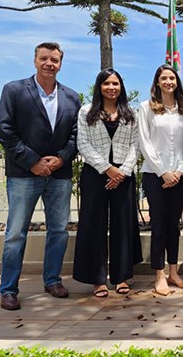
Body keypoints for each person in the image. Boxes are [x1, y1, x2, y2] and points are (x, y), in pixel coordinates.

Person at [0, 42, 81, 310]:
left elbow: (76, 135)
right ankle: (9, 289)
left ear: (60, 64)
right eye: (44, 58)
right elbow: (5, 130)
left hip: (59, 174)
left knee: (58, 230)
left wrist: (61, 158)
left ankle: (53, 280)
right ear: (35, 61)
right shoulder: (14, 90)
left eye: (54, 60)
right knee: (15, 234)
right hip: (24, 173)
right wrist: (32, 161)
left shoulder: (72, 97)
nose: (49, 63)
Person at [72, 68, 142, 297]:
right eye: (106, 84)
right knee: (94, 225)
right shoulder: (86, 112)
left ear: (121, 87)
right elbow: (83, 144)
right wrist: (107, 169)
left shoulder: (131, 113)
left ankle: (121, 276)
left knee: (123, 225)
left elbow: (136, 145)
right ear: (99, 87)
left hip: (124, 174)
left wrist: (122, 171)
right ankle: (97, 279)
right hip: (95, 173)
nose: (111, 88)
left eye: (115, 83)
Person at [138, 64, 183, 296]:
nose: (168, 82)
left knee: (174, 225)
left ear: (177, 82)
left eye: (172, 78)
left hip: (180, 176)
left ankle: (174, 272)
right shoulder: (146, 108)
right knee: (159, 225)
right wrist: (164, 171)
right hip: (155, 176)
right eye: (164, 78)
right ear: (157, 82)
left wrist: (180, 171)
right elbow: (145, 143)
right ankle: (159, 275)